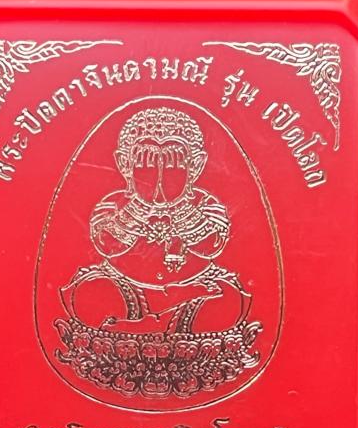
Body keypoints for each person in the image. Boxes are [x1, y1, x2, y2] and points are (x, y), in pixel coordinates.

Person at [59, 106, 251, 335]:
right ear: (124, 164)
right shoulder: (115, 204)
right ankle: (158, 324)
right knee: (89, 290)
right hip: (127, 286)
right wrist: (133, 217)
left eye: (173, 167)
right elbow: (108, 245)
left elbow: (211, 245)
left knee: (229, 296)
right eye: (146, 166)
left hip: (192, 288)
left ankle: (146, 327)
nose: (159, 180)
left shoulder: (204, 204)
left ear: (196, 166)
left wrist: (183, 219)